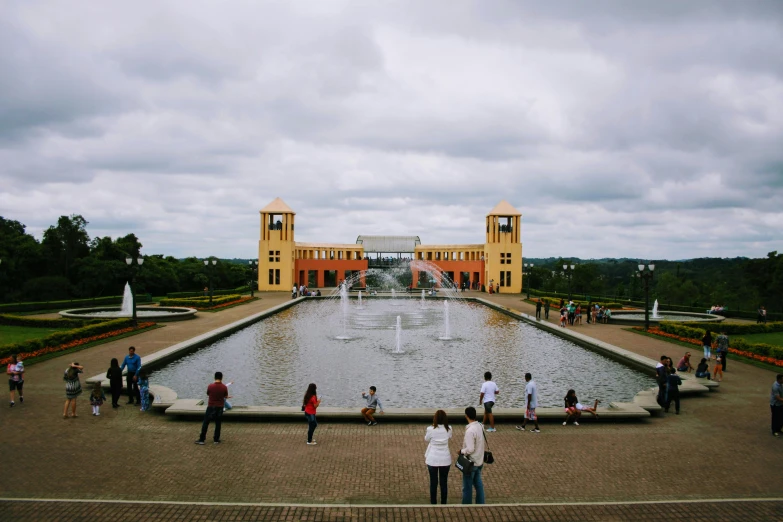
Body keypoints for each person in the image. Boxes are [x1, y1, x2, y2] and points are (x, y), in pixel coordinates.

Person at [424, 409, 452, 504]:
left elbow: (426, 439)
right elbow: (450, 436)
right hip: (445, 459)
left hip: (433, 458)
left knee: (433, 482)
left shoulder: (430, 429)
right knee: (444, 482)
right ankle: (444, 503)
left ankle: (433, 503)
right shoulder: (449, 429)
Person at [195, 371, 230, 445]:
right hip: (220, 407)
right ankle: (216, 440)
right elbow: (225, 396)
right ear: (221, 378)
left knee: (206, 423)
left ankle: (202, 439)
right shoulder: (224, 387)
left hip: (211, 407)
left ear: (214, 377)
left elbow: (208, 393)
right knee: (218, 423)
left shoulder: (210, 386)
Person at [459, 406, 485, 504]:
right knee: (478, 485)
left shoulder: (470, 431)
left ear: (466, 416)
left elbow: (470, 449)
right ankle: (481, 503)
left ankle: (466, 505)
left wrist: (461, 451)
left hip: (471, 463)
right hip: (479, 460)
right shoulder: (480, 426)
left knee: (467, 487)